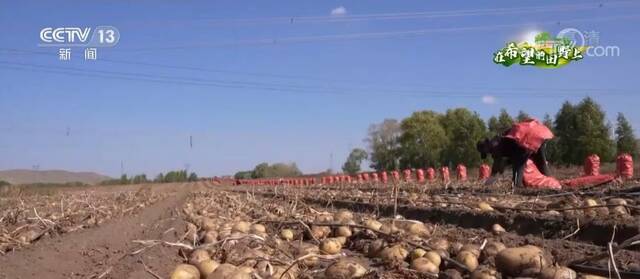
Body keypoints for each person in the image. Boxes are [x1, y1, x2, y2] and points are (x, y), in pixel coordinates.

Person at [476, 118, 553, 187]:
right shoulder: (498, 139)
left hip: (523, 141)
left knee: (518, 166)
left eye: (485, 151)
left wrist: (488, 183)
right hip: (536, 135)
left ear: (486, 146)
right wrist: (505, 164)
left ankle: (518, 187)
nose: (488, 153)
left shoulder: (494, 146)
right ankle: (552, 183)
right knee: (541, 163)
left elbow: (497, 167)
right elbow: (505, 161)